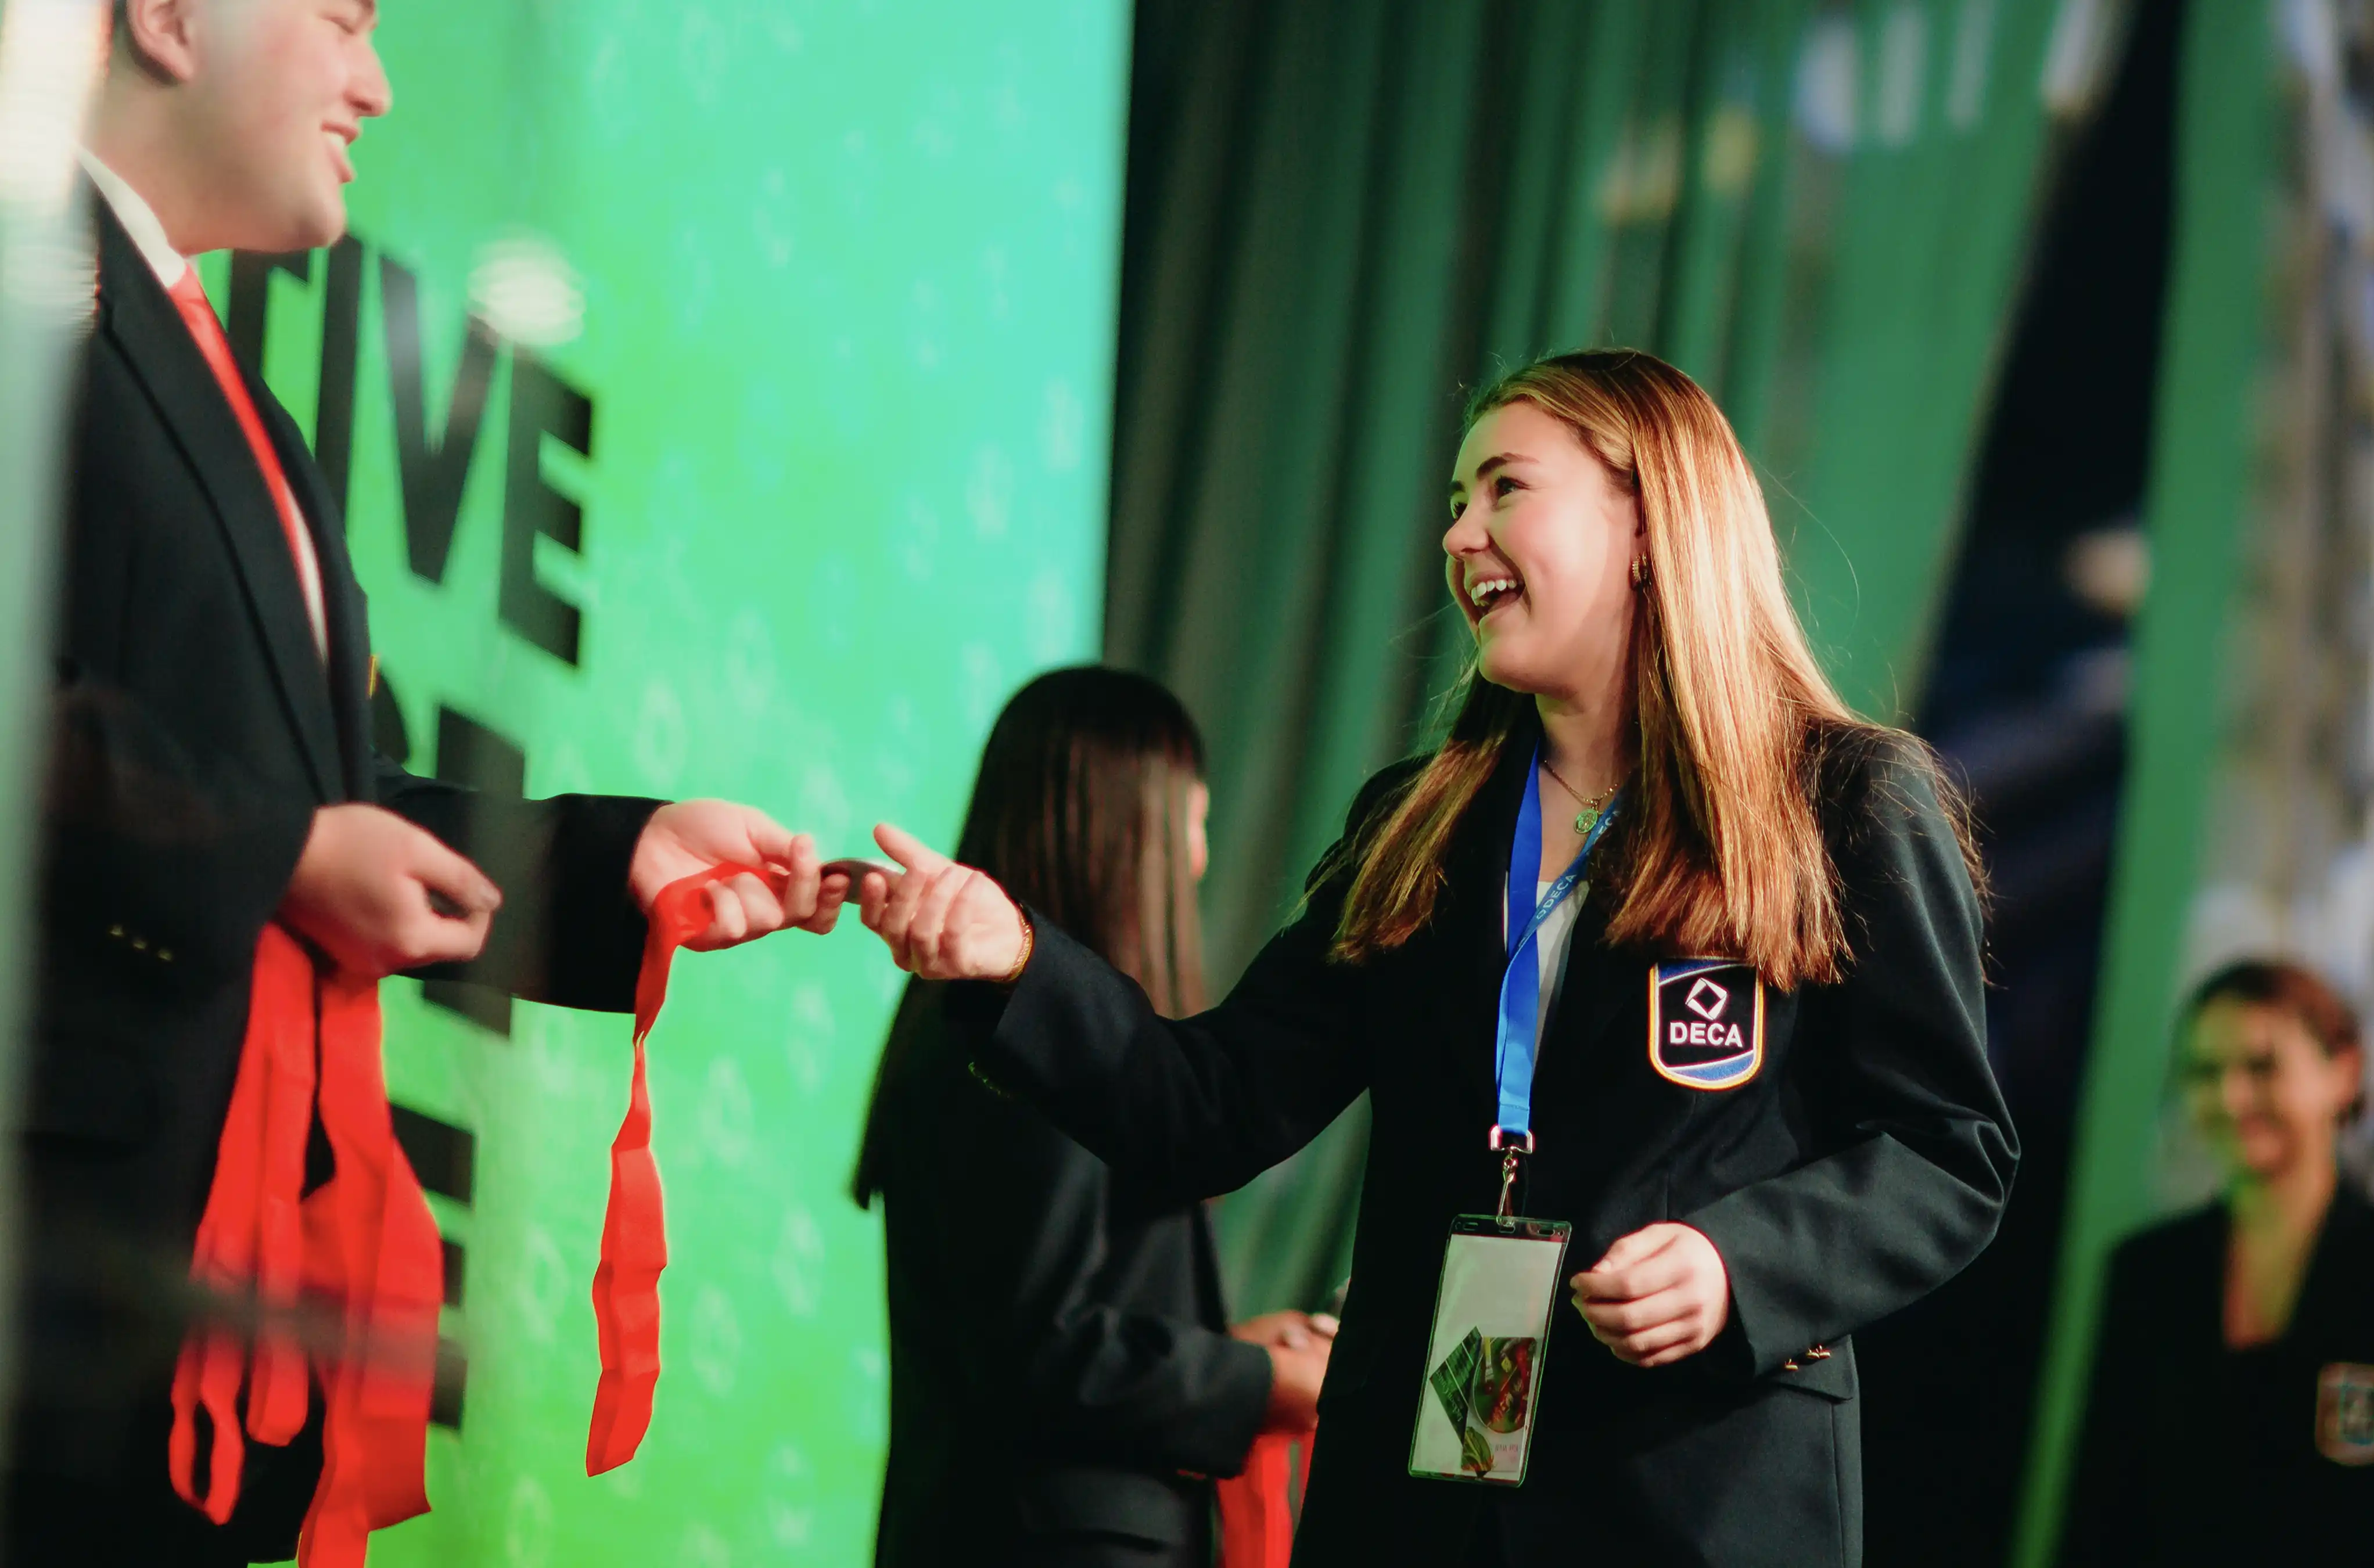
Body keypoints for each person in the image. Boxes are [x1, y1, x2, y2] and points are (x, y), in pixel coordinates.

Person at [856, 348, 2017, 1566]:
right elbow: (1206, 1107)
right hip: (1415, 1507)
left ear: (1646, 521)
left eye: (1506, 488)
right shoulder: (1420, 827)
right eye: (1459, 501)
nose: (1460, 536)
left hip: (1689, 1504)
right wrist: (1012, 961)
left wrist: (1743, 1267)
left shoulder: (1841, 802)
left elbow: (1949, 1150)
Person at [19, 1, 849, 1560]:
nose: (377, 85)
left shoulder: (243, 406)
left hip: (164, 1327)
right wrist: (270, 850)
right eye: (344, 20)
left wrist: (618, 862)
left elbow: (337, 807)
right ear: (170, 18)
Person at [853, 667, 1332, 1568]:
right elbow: (1038, 1351)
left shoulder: (1005, 1041)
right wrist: (1262, 1379)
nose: (1198, 858)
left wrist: (1228, 1351)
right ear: (1123, 829)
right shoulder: (1026, 1056)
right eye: (1189, 821)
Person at [2061, 960, 2374, 1567]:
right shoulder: (2147, 1273)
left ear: (2343, 1073)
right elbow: (2098, 1512)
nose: (2230, 1097)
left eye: (2261, 1067)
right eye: (2204, 1072)